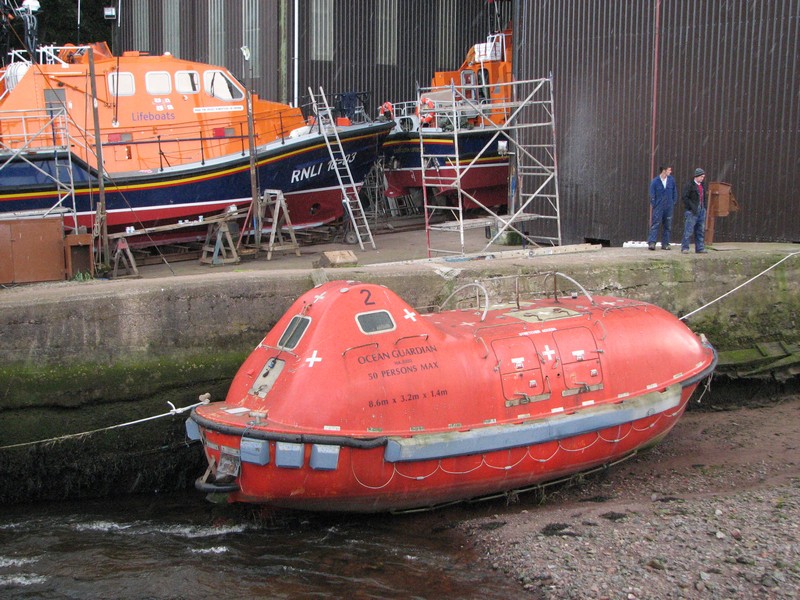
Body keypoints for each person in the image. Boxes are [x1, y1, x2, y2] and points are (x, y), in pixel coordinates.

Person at [647, 165, 677, 250]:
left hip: (668, 206)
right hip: (658, 206)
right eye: (669, 170)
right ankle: (652, 242)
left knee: (667, 225)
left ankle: (665, 243)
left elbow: (675, 192)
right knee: (655, 224)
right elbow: (652, 194)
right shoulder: (655, 181)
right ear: (664, 171)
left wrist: (672, 202)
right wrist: (655, 204)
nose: (670, 172)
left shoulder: (671, 180)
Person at [681, 168, 708, 254]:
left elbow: (703, 198)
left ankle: (699, 248)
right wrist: (691, 207)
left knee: (700, 230)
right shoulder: (689, 185)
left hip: (701, 210)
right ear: (696, 176)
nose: (702, 178)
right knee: (688, 230)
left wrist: (704, 207)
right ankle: (685, 247)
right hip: (692, 211)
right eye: (701, 176)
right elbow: (685, 197)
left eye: (703, 177)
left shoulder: (702, 185)